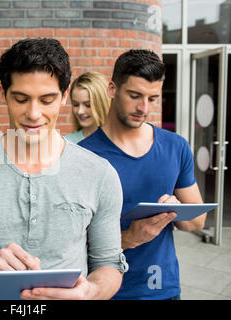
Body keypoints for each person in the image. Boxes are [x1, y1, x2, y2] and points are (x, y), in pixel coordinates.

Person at [0, 38, 128, 300]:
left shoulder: (100, 174)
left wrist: (92, 291)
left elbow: (109, 264)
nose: (33, 113)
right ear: (3, 93)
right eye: (21, 99)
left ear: (65, 96)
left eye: (47, 100)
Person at [79, 49, 206, 300]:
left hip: (163, 289)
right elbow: (68, 243)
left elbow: (197, 221)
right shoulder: (82, 157)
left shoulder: (175, 146)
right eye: (134, 96)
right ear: (112, 89)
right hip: (106, 291)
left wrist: (176, 209)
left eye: (153, 98)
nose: (143, 108)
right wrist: (127, 238)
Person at [65, 72, 110, 143]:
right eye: (76, 104)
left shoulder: (119, 141)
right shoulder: (66, 143)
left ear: (102, 104)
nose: (80, 111)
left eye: (88, 105)